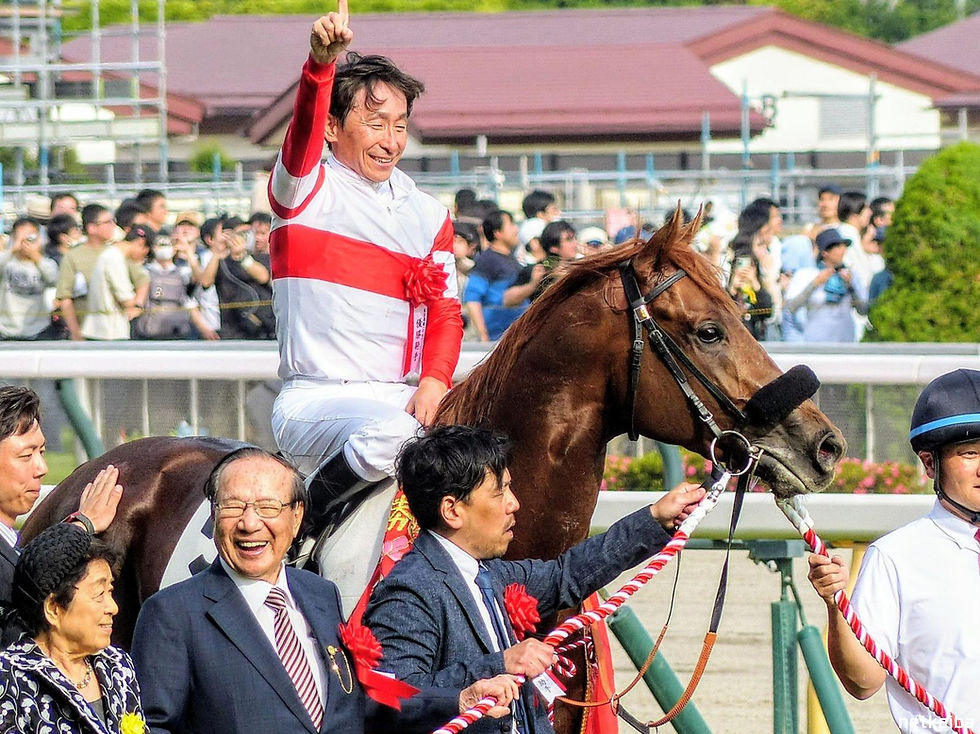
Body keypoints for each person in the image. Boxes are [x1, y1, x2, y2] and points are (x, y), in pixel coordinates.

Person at [131, 447, 520, 734]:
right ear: (214, 514)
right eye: (234, 507)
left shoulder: (320, 594)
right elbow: (154, 726)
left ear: (296, 516)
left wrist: (460, 699)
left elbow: (361, 698)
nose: (250, 524)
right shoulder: (172, 614)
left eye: (268, 508)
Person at [363, 425, 705, 734]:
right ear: (452, 511)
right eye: (500, 492)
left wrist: (656, 518)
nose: (514, 504)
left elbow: (565, 575)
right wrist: (496, 667)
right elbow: (389, 697)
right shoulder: (409, 590)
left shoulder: (487, 572)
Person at [267, 2, 463, 534]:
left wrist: (435, 383)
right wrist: (319, 68)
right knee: (400, 437)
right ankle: (304, 524)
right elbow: (300, 135)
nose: (391, 140)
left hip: (403, 396)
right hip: (317, 398)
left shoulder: (427, 213)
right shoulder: (305, 188)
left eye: (400, 125)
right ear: (334, 128)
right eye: (375, 123)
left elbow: (446, 311)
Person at [807, 369, 980, 734]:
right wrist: (836, 605)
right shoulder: (895, 556)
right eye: (970, 454)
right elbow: (863, 682)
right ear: (930, 463)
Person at [0, 385, 122, 644]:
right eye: (26, 455)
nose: (42, 468)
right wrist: (82, 525)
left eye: (41, 452)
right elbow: (31, 584)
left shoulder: (12, 542)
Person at [0, 523, 143, 733]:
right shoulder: (10, 678)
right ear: (54, 608)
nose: (113, 608)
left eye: (110, 591)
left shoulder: (118, 666)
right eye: (98, 595)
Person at [783, 228, 867, 343]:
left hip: (845, 341)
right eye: (837, 247)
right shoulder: (807, 274)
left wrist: (851, 286)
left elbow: (863, 310)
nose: (843, 250)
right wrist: (815, 284)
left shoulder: (851, 275)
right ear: (825, 252)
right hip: (816, 342)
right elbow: (791, 307)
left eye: (843, 246)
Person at [463, 210, 526, 342]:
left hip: (513, 337)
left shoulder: (511, 259)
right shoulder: (488, 261)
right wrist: (483, 335)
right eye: (511, 225)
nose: (516, 229)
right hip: (497, 338)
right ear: (498, 233)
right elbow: (472, 297)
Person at [0, 217, 60, 340]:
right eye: (21, 237)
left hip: (39, 330)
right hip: (6, 330)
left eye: (30, 238)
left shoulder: (45, 263)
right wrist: (12, 249)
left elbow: (54, 280)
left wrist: (36, 256)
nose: (25, 242)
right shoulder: (7, 261)